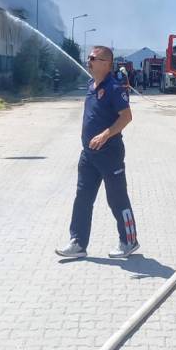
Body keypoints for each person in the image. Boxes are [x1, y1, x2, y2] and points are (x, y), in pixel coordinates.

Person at [56, 45, 139, 259]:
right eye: (90, 57)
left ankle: (129, 240)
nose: (89, 61)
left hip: (109, 154)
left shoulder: (114, 87)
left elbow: (126, 117)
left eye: (94, 58)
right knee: (82, 198)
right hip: (88, 155)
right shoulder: (90, 85)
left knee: (117, 199)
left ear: (106, 63)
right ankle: (78, 242)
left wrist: (105, 135)